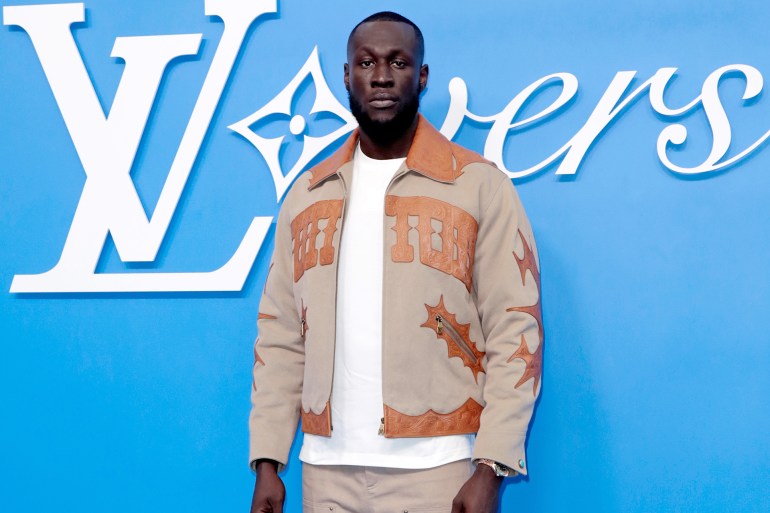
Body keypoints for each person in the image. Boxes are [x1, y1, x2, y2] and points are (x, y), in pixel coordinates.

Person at [249, 11, 542, 513]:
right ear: (346, 76)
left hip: (438, 471)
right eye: (365, 62)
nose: (381, 76)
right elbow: (280, 336)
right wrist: (269, 462)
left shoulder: (477, 186)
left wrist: (490, 467)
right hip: (325, 470)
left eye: (398, 62)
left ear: (422, 77)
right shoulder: (307, 194)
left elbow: (516, 329)